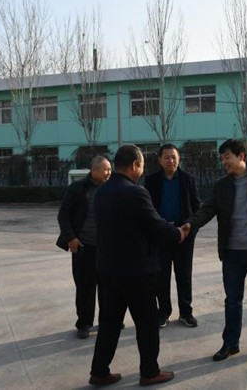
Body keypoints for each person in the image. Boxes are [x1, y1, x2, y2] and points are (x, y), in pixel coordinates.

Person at [88, 144, 187, 387]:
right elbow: (154, 225)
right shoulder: (135, 192)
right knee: (147, 324)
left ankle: (99, 371)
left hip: (107, 269)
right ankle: (150, 372)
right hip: (137, 272)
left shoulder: (101, 192)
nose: (142, 170)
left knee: (109, 324)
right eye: (141, 165)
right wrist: (177, 233)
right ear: (134, 165)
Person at [182, 139, 247, 362]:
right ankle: (230, 344)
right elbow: (207, 209)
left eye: (227, 157)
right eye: (222, 158)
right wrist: (190, 224)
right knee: (232, 301)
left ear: (241, 156)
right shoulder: (221, 186)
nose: (224, 162)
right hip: (232, 254)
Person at [145, 144, 201, 328]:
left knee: (184, 275)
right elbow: (148, 208)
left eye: (174, 157)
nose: (171, 160)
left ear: (179, 159)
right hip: (161, 236)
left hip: (184, 236)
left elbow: (196, 207)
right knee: (161, 276)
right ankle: (163, 312)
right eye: (167, 157)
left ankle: (186, 312)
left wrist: (190, 228)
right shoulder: (151, 181)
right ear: (160, 160)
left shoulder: (188, 180)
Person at [56, 155, 111, 339]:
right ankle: (84, 324)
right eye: (105, 169)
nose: (108, 173)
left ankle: (108, 322)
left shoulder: (111, 188)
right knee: (85, 289)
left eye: (110, 169)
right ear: (93, 170)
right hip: (83, 247)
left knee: (108, 288)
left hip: (106, 249)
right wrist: (71, 238)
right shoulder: (78, 188)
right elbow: (63, 215)